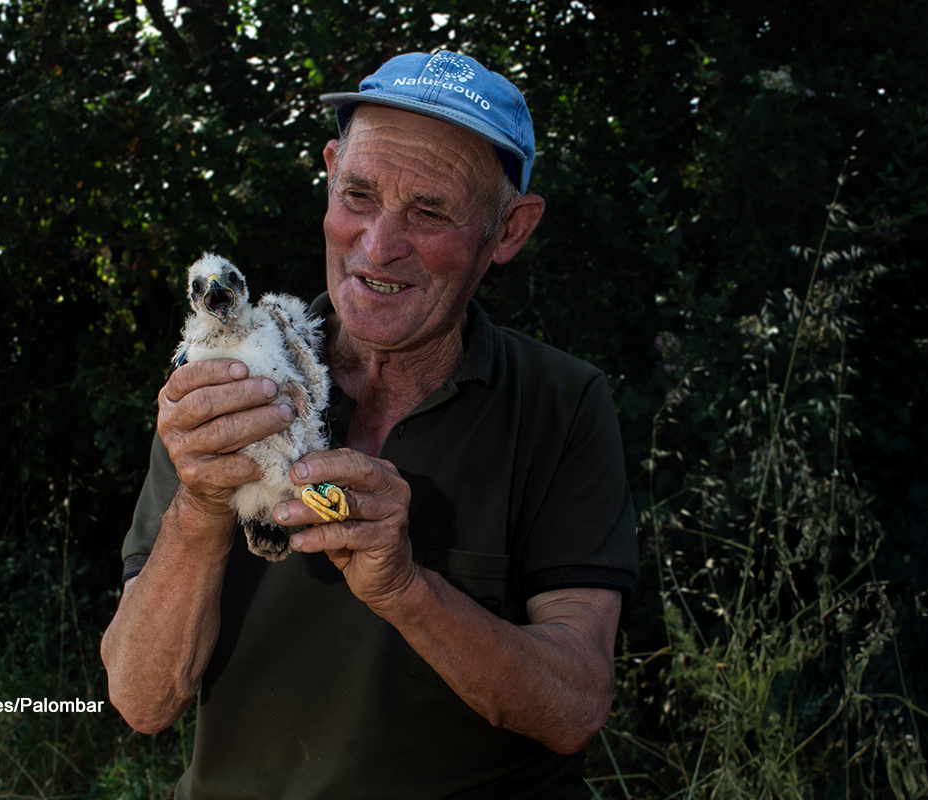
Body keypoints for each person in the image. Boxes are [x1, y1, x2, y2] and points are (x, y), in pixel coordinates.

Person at [100, 50, 638, 799]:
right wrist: (201, 506)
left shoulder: (562, 403)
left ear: (508, 230)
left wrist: (406, 589)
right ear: (328, 174)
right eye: (359, 194)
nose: (379, 245)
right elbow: (142, 698)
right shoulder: (229, 388)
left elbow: (574, 705)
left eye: (430, 211)